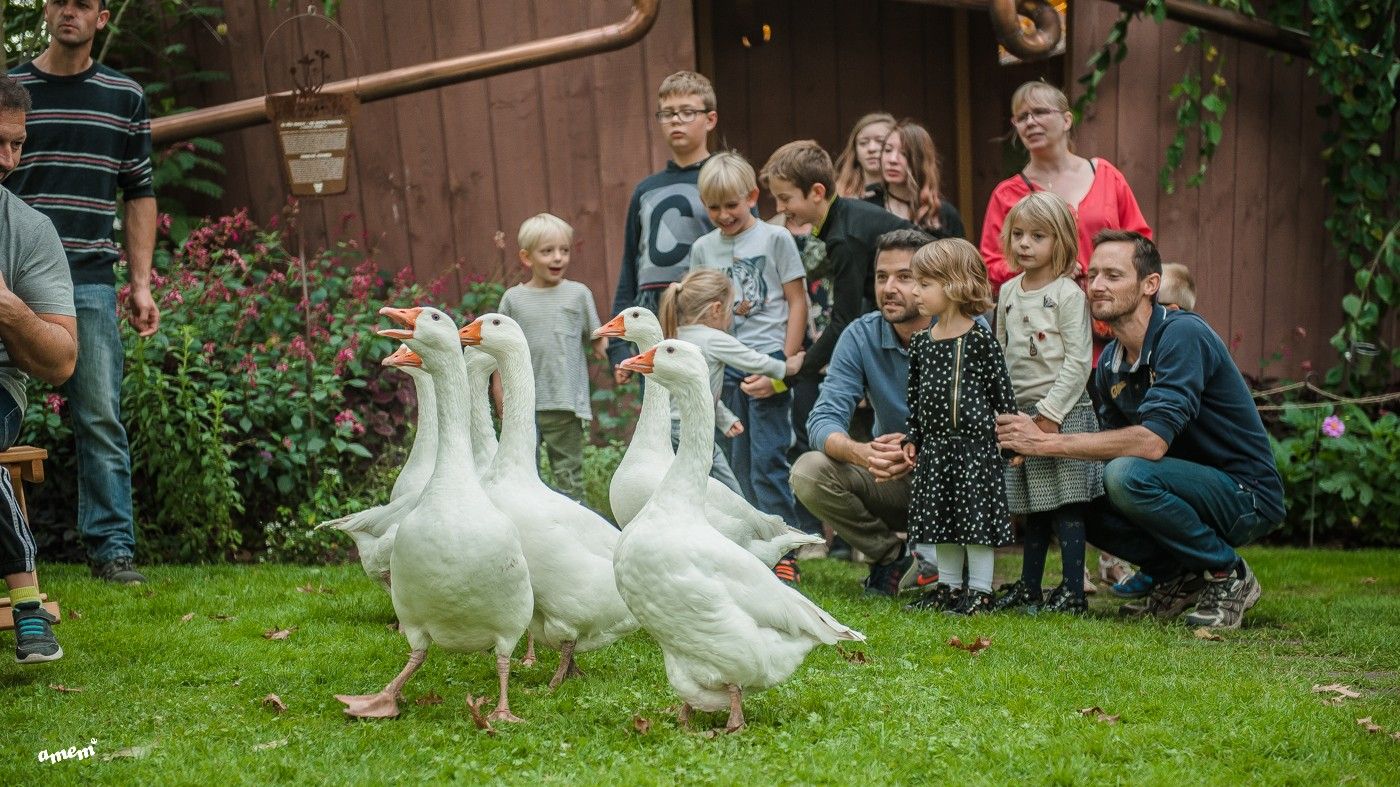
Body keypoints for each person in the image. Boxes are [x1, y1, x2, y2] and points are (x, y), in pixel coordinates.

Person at [996, 230, 1284, 629]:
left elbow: (1149, 443)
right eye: (1092, 275)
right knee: (1082, 492)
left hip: (1244, 495)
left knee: (1126, 474)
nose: (1096, 285)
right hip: (1177, 486)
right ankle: (1177, 577)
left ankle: (1228, 574)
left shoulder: (1181, 334)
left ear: (1150, 285)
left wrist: (1044, 441)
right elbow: (1107, 447)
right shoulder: (1111, 363)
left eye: (1113, 276)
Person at [8, 0, 157, 584]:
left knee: (99, 417)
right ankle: (18, 550)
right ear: (47, 10)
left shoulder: (125, 97)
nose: (70, 11)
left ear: (101, 18)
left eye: (84, 4)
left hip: (90, 279)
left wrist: (141, 284)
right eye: (60, 0)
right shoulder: (11, 88)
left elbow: (139, 191)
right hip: (11, 276)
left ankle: (112, 549)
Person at [789, 229, 937, 596]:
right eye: (882, 276)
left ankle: (949, 564)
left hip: (953, 480)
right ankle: (891, 556)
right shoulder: (861, 335)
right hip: (891, 478)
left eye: (904, 277)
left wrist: (918, 449)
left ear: (930, 282)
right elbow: (822, 420)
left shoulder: (965, 330)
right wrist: (862, 452)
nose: (889, 288)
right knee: (808, 471)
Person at [987, 192, 1103, 615]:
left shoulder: (1068, 294)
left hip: (1063, 413)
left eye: (1038, 236)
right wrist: (1007, 411)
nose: (1024, 244)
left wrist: (1051, 417)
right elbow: (1001, 351)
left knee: (1066, 504)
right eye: (1018, 234)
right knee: (1032, 507)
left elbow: (1078, 360)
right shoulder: (1008, 291)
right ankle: (1029, 586)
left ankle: (1073, 589)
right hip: (1022, 411)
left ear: (1062, 241)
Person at [687, 152, 807, 540]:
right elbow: (696, 308)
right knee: (735, 453)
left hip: (768, 357)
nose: (724, 215)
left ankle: (783, 541)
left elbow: (797, 300)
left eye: (732, 205)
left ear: (753, 196)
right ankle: (746, 538)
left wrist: (785, 362)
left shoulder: (776, 238)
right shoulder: (703, 248)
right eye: (714, 207)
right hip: (724, 361)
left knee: (768, 456)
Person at [0, 75, 78, 662]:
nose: (7, 161)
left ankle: (28, 607)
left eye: (17, 144)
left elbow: (61, 360)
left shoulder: (27, 230)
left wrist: (8, 308)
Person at [658, 269, 804, 581]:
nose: (731, 317)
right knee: (732, 494)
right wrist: (789, 366)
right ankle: (753, 558)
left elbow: (695, 392)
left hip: (667, 429)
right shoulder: (713, 339)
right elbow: (754, 361)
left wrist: (724, 418)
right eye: (730, 309)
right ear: (714, 310)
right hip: (691, 435)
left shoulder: (676, 339)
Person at [900, 239, 1018, 616]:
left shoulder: (980, 338)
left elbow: (1001, 390)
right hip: (935, 448)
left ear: (953, 285)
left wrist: (1011, 441)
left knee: (975, 521)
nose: (914, 292)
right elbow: (915, 397)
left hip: (975, 448)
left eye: (924, 284)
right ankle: (949, 589)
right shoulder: (921, 343)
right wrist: (913, 436)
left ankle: (981, 592)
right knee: (942, 521)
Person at [760, 140, 914, 388]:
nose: (779, 208)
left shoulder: (844, 238)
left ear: (817, 192)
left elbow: (845, 320)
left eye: (785, 198)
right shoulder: (843, 218)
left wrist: (788, 378)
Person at [978, 80, 1152, 295]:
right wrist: (1047, 269)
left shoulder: (1106, 175)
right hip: (1043, 317)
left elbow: (1141, 243)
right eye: (1022, 117)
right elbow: (991, 267)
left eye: (1040, 112)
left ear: (1067, 120)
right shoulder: (1007, 194)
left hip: (1111, 311)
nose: (1030, 122)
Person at [606, 70, 718, 387]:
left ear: (710, 119)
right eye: (667, 114)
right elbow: (631, 263)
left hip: (703, 314)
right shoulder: (646, 190)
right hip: (652, 316)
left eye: (687, 112)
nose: (676, 121)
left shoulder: (724, 180)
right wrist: (617, 343)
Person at [497, 213, 605, 502]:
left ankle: (576, 527)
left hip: (564, 402)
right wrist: (499, 394)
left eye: (564, 250)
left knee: (569, 474)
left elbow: (596, 337)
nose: (558, 258)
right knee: (521, 472)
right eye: (547, 251)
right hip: (522, 403)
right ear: (526, 257)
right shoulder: (513, 300)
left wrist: (609, 351)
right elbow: (498, 353)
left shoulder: (578, 294)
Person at [864, 120, 965, 240]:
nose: (892, 160)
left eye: (904, 153)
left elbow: (961, 258)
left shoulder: (945, 215)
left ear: (921, 161)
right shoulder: (867, 208)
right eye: (888, 150)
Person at [832, 112, 895, 198]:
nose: (871, 149)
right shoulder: (837, 194)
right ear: (855, 151)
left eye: (880, 141)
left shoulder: (912, 196)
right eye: (863, 143)